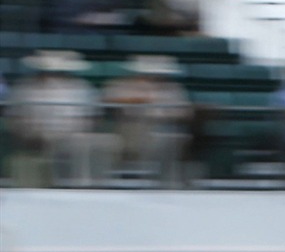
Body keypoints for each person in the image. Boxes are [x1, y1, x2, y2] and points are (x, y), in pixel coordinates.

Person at [9, 50, 109, 187]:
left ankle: (82, 190)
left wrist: (71, 135)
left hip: (72, 141)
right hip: (33, 141)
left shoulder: (81, 88)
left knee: (95, 145)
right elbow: (16, 118)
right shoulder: (24, 88)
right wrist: (29, 135)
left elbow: (91, 118)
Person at [103, 55, 192, 185]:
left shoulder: (173, 88)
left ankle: (169, 180)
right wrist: (136, 101)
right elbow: (109, 102)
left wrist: (166, 114)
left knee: (174, 136)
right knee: (138, 129)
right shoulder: (122, 85)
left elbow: (183, 112)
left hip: (165, 127)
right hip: (130, 127)